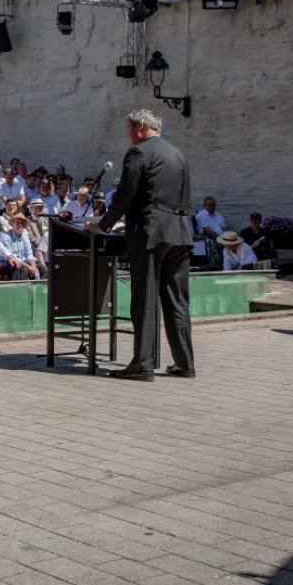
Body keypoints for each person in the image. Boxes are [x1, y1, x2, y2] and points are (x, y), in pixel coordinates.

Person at [89, 108, 194, 381]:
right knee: (177, 300)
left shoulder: (139, 152)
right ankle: (185, 363)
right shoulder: (178, 154)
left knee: (145, 299)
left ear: (138, 128)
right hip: (181, 232)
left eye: (128, 130)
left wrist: (103, 224)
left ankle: (142, 364)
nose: (127, 136)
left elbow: (126, 195)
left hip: (151, 233)